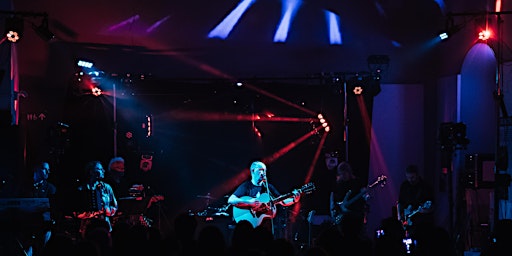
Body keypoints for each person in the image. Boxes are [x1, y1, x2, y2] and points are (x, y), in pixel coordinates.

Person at [227, 160, 302, 232]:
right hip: (248, 227)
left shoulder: (268, 187)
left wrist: (294, 200)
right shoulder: (246, 186)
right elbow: (231, 200)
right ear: (253, 171)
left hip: (264, 228)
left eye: (265, 170)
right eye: (261, 170)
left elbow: (282, 201)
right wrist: (249, 202)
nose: (263, 173)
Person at [75, 160, 118, 235]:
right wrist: (91, 213)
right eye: (100, 169)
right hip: (88, 228)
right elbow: (76, 212)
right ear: (91, 172)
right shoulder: (82, 189)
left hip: (105, 226)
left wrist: (109, 210)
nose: (103, 171)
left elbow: (115, 206)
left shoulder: (107, 188)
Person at [329, 161, 368, 235]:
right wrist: (333, 212)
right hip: (342, 216)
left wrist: (365, 195)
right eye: (341, 173)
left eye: (345, 173)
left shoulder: (357, 182)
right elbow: (332, 198)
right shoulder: (337, 184)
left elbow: (364, 195)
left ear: (349, 172)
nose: (343, 175)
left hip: (355, 215)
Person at [397, 164, 434, 238]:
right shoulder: (404, 186)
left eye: (412, 177)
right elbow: (400, 202)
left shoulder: (425, 187)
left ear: (417, 175)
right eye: (408, 177)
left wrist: (425, 210)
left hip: (420, 224)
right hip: (406, 221)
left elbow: (432, 206)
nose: (410, 180)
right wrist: (399, 216)